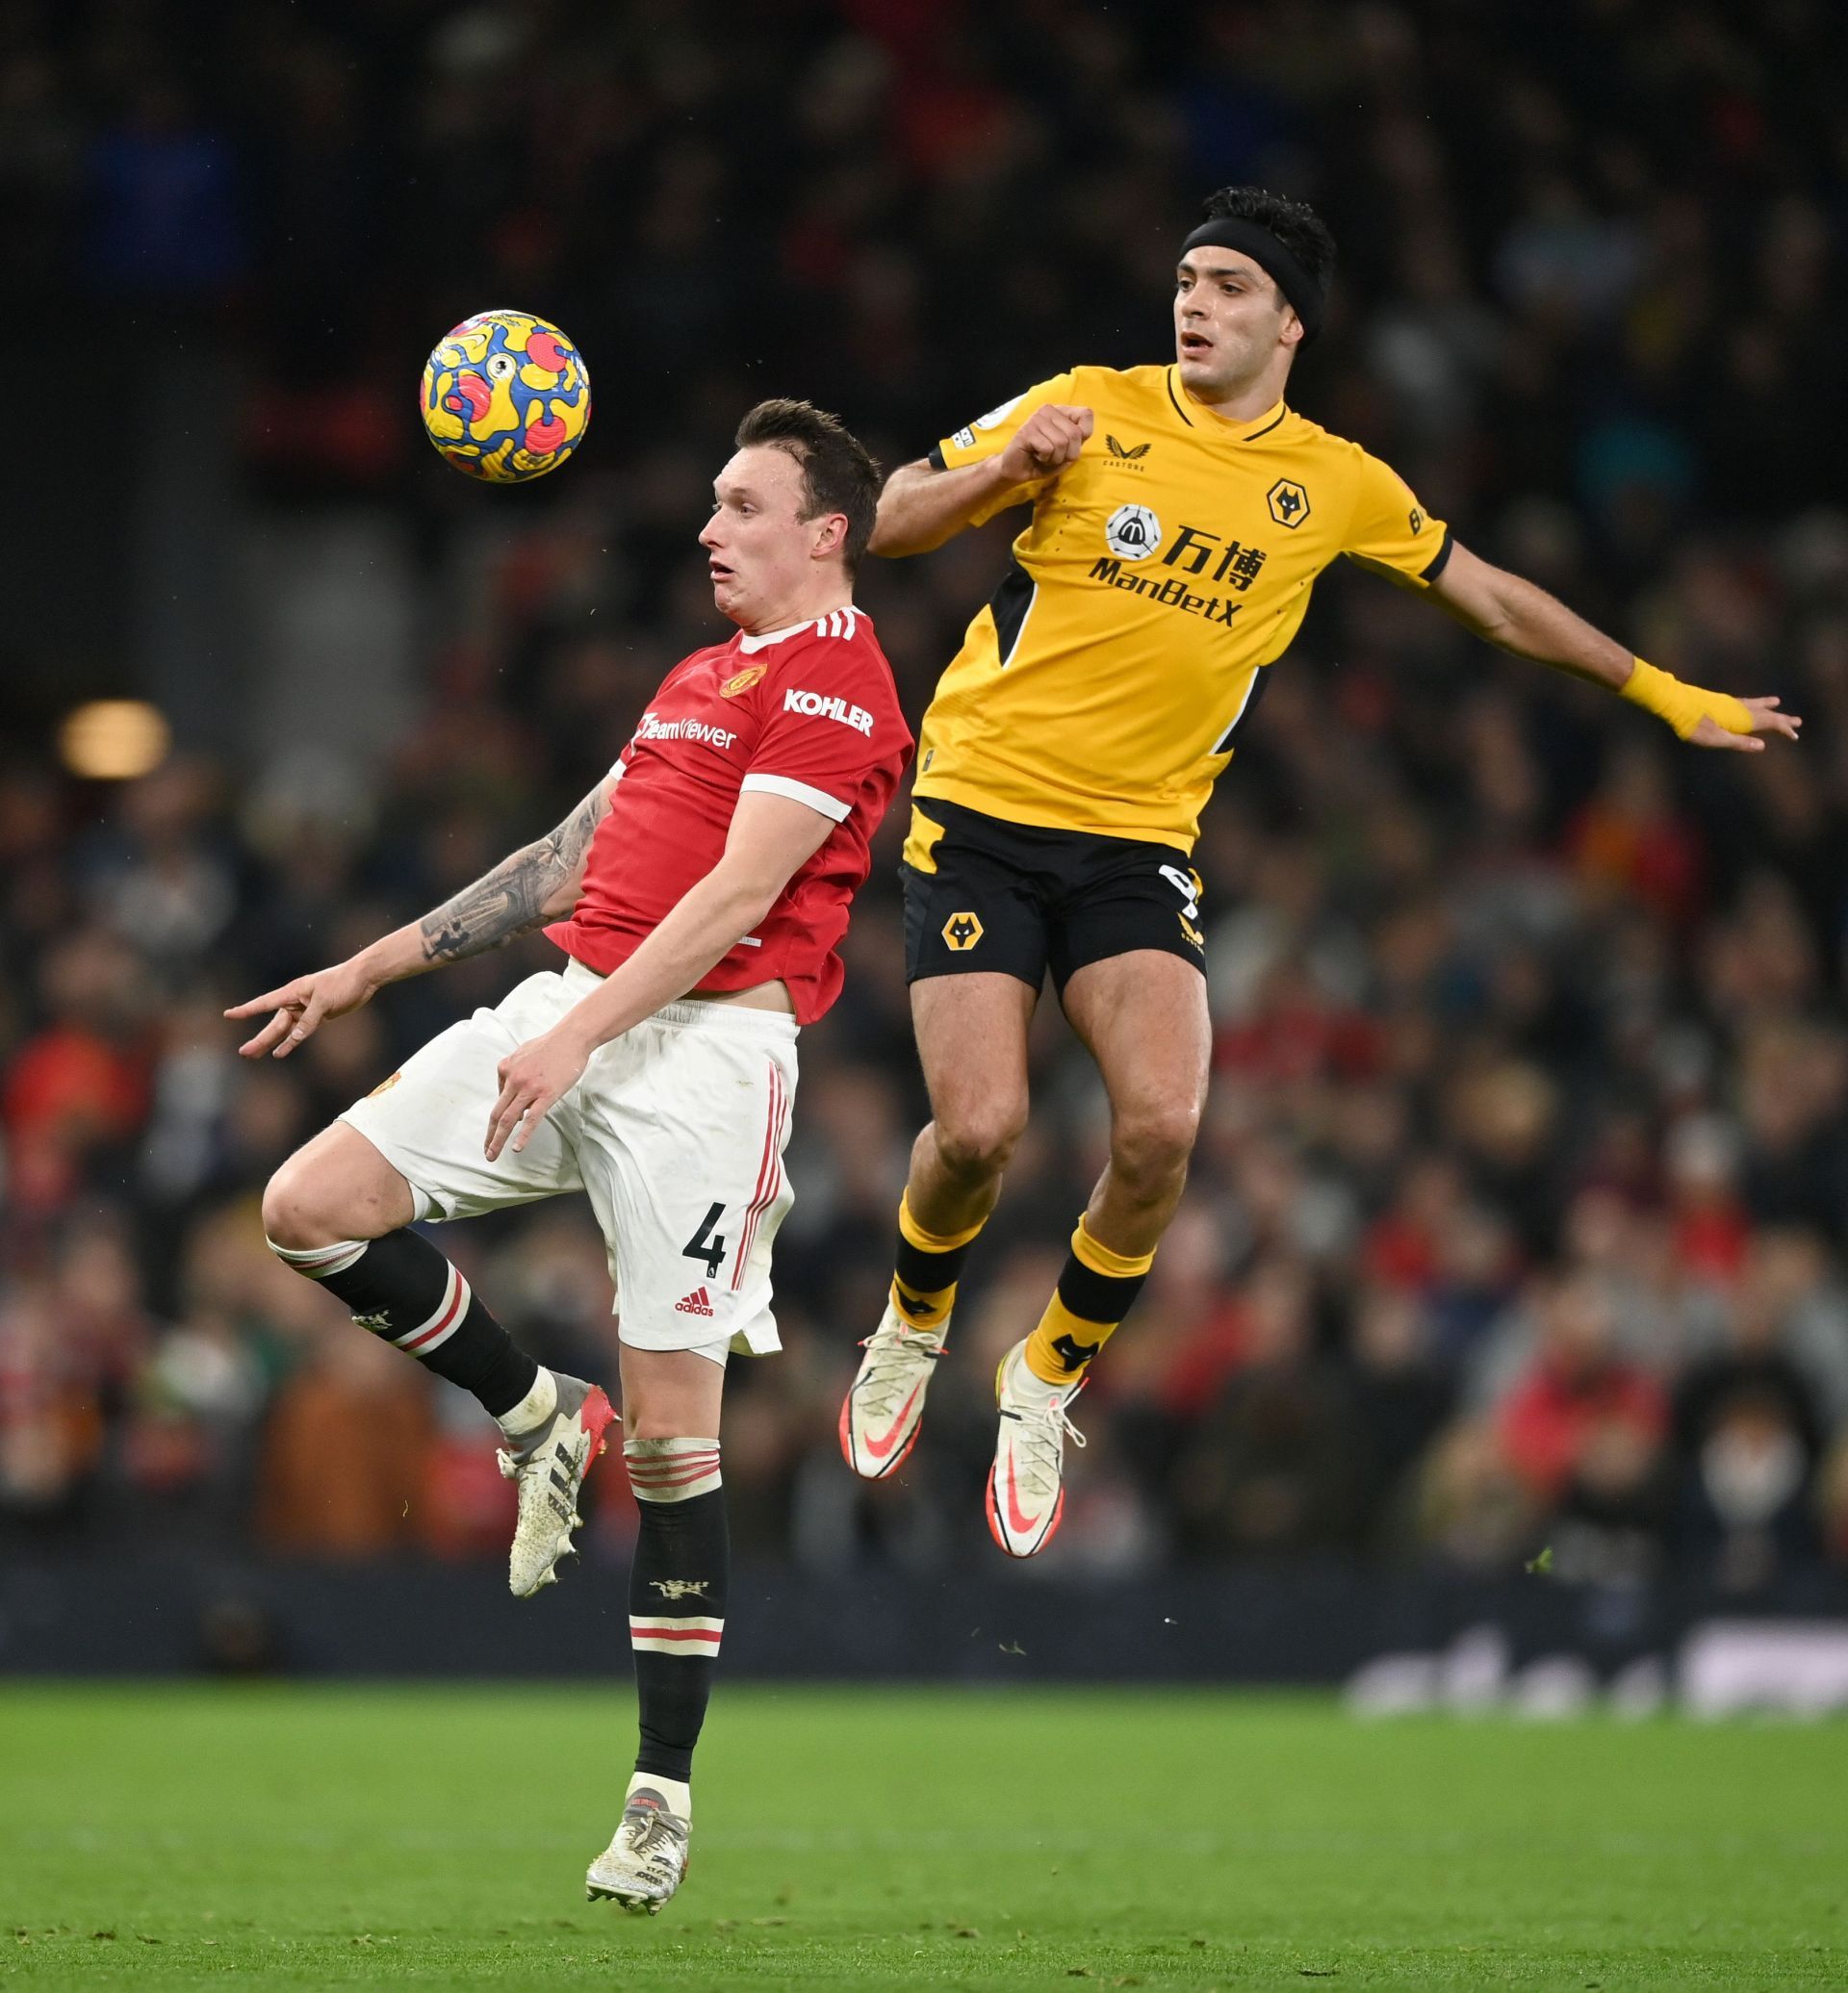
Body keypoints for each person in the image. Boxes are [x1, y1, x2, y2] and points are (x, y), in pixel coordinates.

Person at [838, 184, 1802, 1558]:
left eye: (1229, 286)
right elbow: (890, 518)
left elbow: (1486, 590)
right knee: (981, 1131)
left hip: (1136, 844)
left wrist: (1661, 689)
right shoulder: (1091, 402)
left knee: (1163, 1132)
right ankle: (913, 1318)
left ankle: (1046, 1372)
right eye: (1186, 279)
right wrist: (1005, 474)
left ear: (1290, 322)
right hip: (983, 809)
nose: (1195, 302)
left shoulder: (1336, 483)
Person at [232, 399, 910, 1913]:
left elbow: (739, 899)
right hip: (577, 1006)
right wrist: (373, 966)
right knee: (309, 1206)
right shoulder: (696, 675)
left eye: (743, 507)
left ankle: (660, 1797)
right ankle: (538, 1413)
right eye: (712, 506)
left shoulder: (844, 686)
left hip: (710, 1060)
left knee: (677, 1442)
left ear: (825, 532)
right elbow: (568, 856)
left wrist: (581, 1036)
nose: (709, 530)